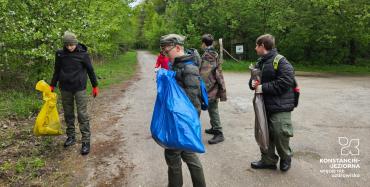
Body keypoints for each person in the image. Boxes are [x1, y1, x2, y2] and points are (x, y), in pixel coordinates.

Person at [160, 34, 206, 187]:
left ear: (178, 48)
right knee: (189, 153)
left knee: (172, 155)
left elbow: (193, 102)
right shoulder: (178, 64)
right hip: (179, 120)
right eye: (164, 53)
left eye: (167, 51)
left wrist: (183, 126)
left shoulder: (189, 68)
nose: (165, 55)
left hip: (182, 122)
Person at [249, 34, 296, 171]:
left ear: (262, 45)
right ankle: (268, 160)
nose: (255, 48)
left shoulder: (281, 61)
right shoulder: (260, 62)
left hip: (280, 105)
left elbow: (286, 81)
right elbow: (254, 80)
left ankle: (286, 157)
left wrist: (263, 87)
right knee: (264, 132)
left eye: (256, 45)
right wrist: (252, 83)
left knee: (280, 132)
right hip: (263, 105)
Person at [50, 31, 99, 155]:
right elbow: (56, 70)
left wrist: (95, 86)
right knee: (68, 113)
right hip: (65, 88)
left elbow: (90, 70)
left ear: (75, 43)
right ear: (64, 45)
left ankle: (86, 141)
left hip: (79, 88)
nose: (70, 47)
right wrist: (52, 84)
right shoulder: (60, 54)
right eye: (67, 45)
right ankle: (71, 136)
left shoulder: (83, 54)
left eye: (72, 45)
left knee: (82, 114)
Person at [199, 34, 227, 144]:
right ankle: (214, 128)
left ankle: (219, 133)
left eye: (202, 43)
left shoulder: (208, 56)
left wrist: (203, 89)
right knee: (211, 108)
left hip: (211, 87)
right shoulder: (213, 53)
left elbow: (205, 74)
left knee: (213, 109)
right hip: (214, 85)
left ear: (204, 43)